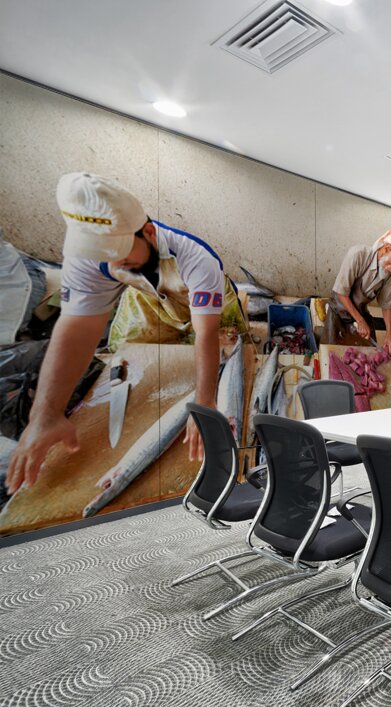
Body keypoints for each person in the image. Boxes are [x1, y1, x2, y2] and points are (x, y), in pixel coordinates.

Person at [5, 173, 246, 494]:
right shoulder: (88, 257)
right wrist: (45, 415)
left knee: (228, 344)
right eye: (102, 255)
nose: (113, 264)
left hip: (203, 299)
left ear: (148, 232)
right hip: (149, 297)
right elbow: (76, 327)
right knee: (129, 347)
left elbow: (207, 334)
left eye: (120, 253)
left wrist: (204, 403)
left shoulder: (196, 258)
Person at [324, 228, 391, 356]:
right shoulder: (358, 255)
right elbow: (341, 293)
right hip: (338, 308)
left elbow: (386, 306)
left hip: (360, 310)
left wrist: (389, 335)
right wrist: (360, 321)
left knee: (370, 352)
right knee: (332, 352)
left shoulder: (388, 273)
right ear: (387, 248)